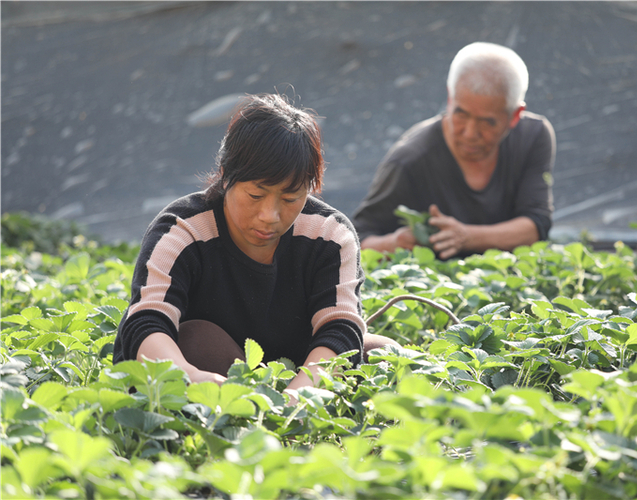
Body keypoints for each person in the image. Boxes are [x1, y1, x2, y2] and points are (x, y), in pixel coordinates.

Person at [113, 93, 398, 396]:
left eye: (290, 198)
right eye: (255, 195)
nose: (270, 216)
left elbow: (340, 330)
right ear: (225, 177)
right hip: (210, 376)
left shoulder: (328, 234)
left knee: (387, 357)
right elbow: (147, 321)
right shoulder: (183, 230)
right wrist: (191, 377)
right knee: (195, 339)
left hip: (296, 373)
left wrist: (296, 399)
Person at [352, 42, 555, 260]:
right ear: (450, 98)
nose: (470, 133)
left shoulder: (533, 137)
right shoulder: (410, 160)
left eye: (487, 123)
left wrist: (467, 236)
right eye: (461, 114)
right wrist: (394, 244)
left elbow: (536, 225)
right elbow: (355, 241)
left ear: (515, 115)